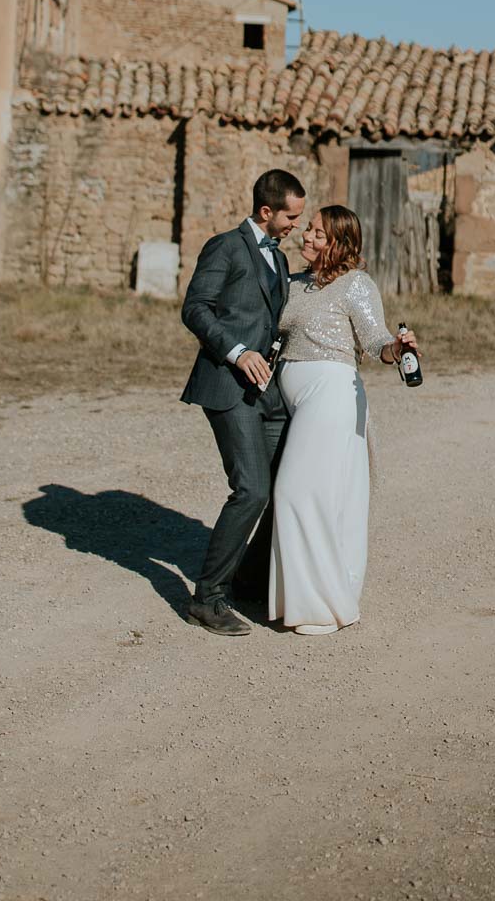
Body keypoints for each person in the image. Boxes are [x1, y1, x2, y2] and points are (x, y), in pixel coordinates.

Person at [269, 205, 421, 634]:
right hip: (291, 399)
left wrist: (397, 348)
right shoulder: (295, 284)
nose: (308, 237)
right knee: (323, 498)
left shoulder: (356, 284)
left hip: (331, 394)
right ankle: (300, 597)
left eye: (318, 233)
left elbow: (375, 340)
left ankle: (322, 606)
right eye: (309, 230)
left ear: (339, 242)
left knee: (296, 492)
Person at [180, 168, 306, 636]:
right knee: (251, 489)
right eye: (291, 216)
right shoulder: (225, 246)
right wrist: (238, 352)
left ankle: (250, 579)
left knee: (286, 485)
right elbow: (195, 308)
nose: (296, 223)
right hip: (226, 385)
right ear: (267, 211)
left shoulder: (280, 258)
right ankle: (207, 598)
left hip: (268, 390)